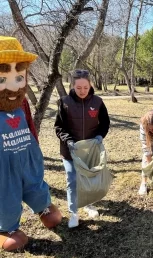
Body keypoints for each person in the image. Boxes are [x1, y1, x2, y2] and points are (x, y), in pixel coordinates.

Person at [0, 36, 62, 251]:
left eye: (19, 78)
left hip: (27, 156)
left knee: (35, 184)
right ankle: (6, 228)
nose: (12, 86)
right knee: (6, 194)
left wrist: (35, 148)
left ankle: (43, 207)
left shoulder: (22, 102)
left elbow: (29, 125)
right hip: (2, 167)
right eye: (2, 79)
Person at [55, 69, 110, 228]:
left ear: (90, 85)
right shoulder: (64, 102)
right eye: (78, 88)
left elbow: (105, 123)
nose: (82, 91)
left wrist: (100, 136)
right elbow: (59, 128)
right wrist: (69, 141)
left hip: (90, 151)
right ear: (72, 86)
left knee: (89, 180)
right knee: (72, 180)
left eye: (85, 87)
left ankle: (88, 205)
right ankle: (73, 213)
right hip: (70, 150)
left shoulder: (98, 102)